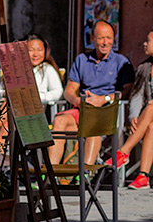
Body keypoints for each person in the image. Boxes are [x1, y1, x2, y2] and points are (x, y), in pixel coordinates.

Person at [51, 20, 134, 166]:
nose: (105, 42)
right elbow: (69, 91)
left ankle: (85, 174)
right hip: (83, 109)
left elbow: (127, 91)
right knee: (60, 121)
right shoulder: (82, 60)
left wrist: (104, 99)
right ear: (92, 38)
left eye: (109, 38)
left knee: (93, 123)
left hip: (106, 111)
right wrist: (79, 101)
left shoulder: (121, 62)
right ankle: (50, 173)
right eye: (101, 38)